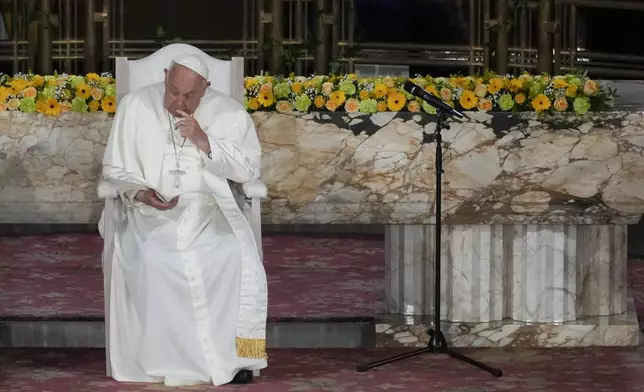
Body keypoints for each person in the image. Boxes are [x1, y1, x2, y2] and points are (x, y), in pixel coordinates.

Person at [98, 53, 268, 387]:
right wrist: (142, 193)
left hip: (210, 209)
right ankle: (167, 360)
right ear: (165, 76)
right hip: (149, 214)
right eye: (173, 91)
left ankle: (231, 360)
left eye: (189, 95)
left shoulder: (229, 112)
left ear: (206, 87)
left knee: (232, 256)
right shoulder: (135, 107)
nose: (179, 101)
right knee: (154, 258)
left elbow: (248, 170)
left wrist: (204, 140)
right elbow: (114, 171)